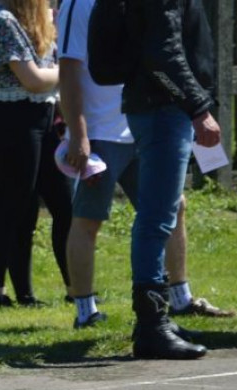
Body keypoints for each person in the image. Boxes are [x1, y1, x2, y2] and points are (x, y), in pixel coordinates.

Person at [56, 0, 234, 330]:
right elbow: (68, 69)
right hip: (101, 132)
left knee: (173, 207)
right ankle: (86, 311)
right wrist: (79, 134)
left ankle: (180, 298)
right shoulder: (76, 4)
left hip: (138, 123)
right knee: (88, 218)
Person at [117, 0, 222, 358]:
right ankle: (152, 327)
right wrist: (197, 107)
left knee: (162, 213)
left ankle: (155, 319)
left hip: (158, 106)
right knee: (157, 218)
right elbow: (162, 52)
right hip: (164, 109)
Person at [0, 0, 74, 308]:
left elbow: (45, 75)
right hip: (13, 121)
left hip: (42, 119)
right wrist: (71, 71)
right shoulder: (1, 19)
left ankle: (76, 290)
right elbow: (32, 80)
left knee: (65, 205)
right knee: (13, 207)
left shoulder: (32, 20)